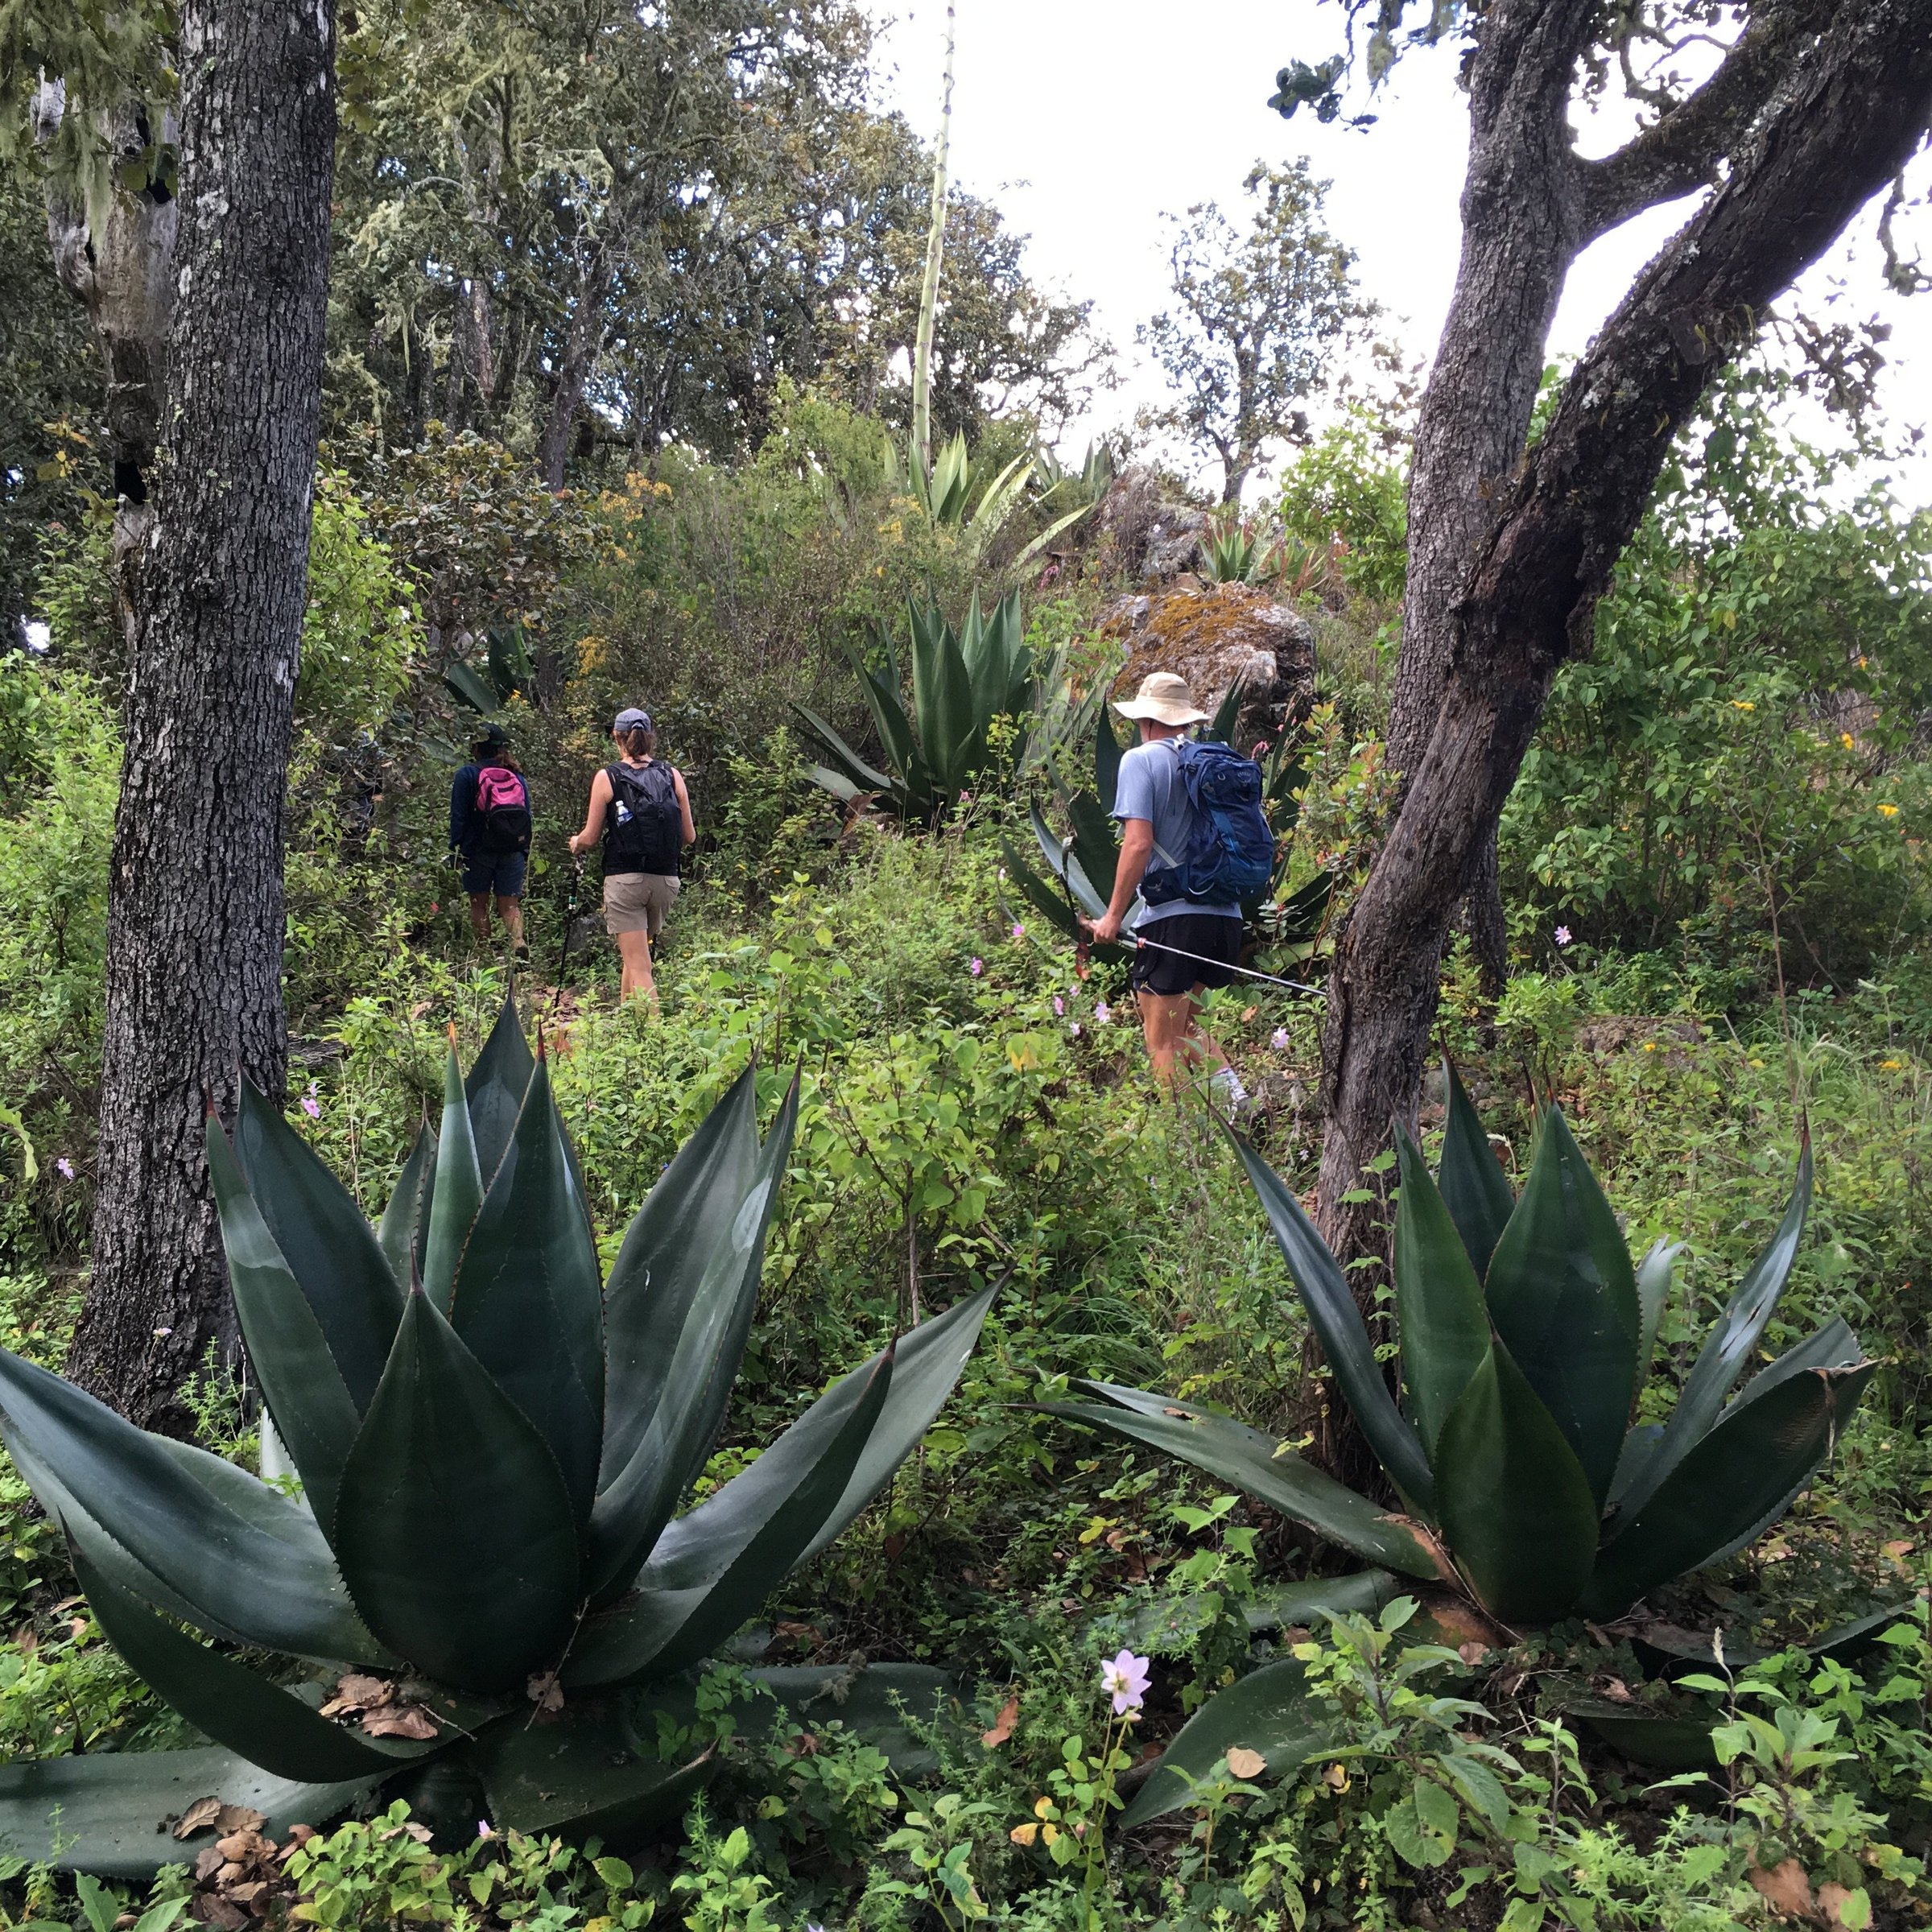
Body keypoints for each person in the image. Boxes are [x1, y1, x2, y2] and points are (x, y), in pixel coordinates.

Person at [1082, 671, 1247, 1107]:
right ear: (1185, 719)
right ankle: (1240, 1108)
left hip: (1173, 921)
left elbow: (1138, 843)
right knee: (1188, 1027)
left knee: (1160, 1041)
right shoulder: (1215, 759)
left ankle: (1177, 1155)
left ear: (1147, 720)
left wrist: (1113, 917)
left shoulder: (1141, 760)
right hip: (1225, 917)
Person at [568, 706, 694, 1009]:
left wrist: (576, 843)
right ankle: (627, 1021)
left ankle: (654, 1040)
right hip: (665, 880)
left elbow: (591, 836)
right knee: (634, 955)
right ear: (650, 737)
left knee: (640, 966)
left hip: (625, 881)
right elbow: (689, 836)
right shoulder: (671, 774)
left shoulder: (607, 776)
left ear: (617, 738)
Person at [448, 723, 531, 958]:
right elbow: (527, 816)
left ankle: (484, 953)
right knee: (510, 904)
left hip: (477, 851)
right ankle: (518, 941)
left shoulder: (467, 775)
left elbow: (459, 817)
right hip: (512, 849)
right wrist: (523, 850)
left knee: (479, 903)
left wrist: (456, 850)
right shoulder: (516, 776)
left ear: (476, 747)